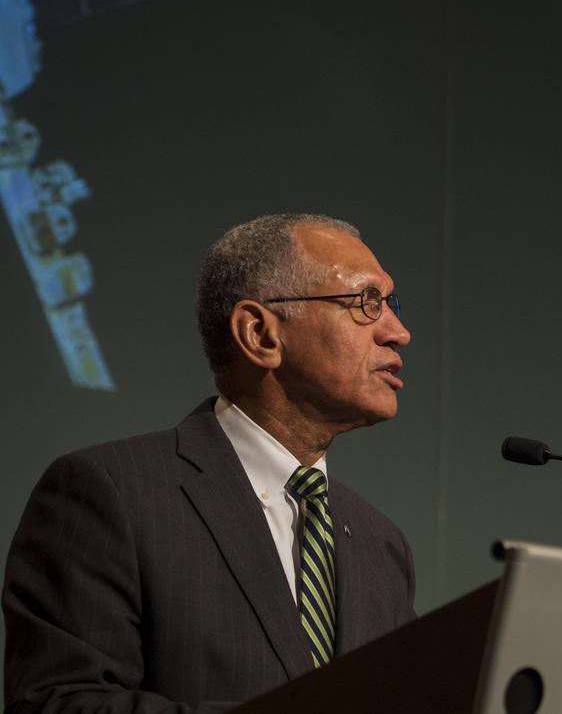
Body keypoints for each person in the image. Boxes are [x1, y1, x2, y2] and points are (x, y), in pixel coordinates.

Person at [3, 214, 416, 713]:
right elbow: (58, 703)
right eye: (367, 303)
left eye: (390, 304)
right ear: (260, 334)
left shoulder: (382, 545)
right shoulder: (110, 493)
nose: (398, 332)